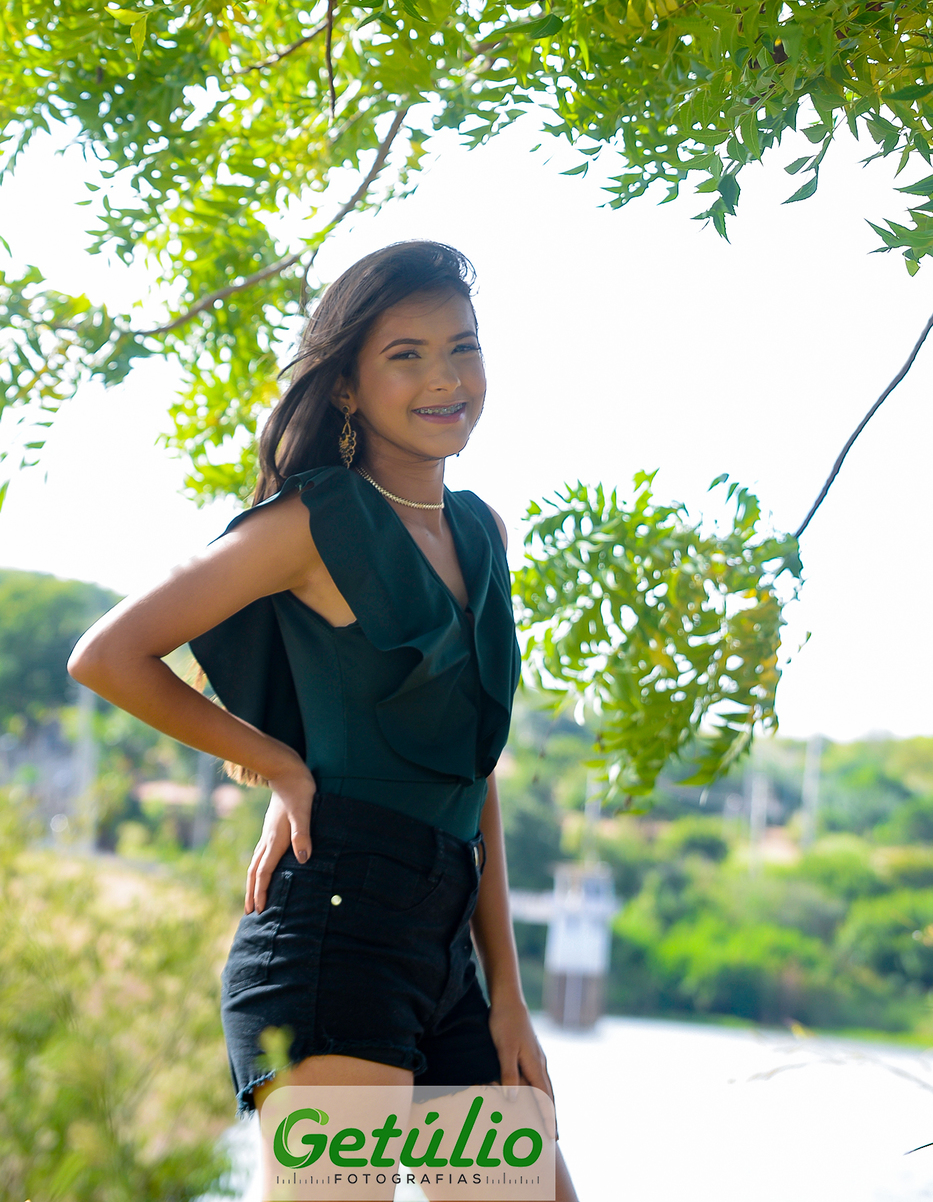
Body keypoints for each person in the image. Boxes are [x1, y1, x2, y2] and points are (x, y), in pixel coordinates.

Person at [69, 241, 580, 1201]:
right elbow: (108, 654)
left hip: (445, 954)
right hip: (335, 937)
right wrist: (280, 763)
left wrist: (507, 993)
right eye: (407, 355)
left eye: (463, 347)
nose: (446, 378)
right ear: (345, 385)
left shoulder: (481, 532)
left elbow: (471, 772)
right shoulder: (313, 522)